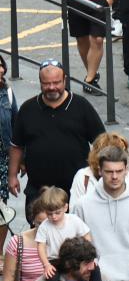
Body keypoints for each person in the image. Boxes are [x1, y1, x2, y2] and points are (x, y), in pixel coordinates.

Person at [8, 59, 105, 204]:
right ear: (40, 82)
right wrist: (12, 175)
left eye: (56, 82)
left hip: (76, 190)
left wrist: (99, 174)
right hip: (39, 192)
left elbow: (102, 143)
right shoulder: (28, 109)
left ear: (64, 80)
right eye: (46, 83)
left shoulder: (81, 106)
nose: (52, 87)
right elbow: (17, 145)